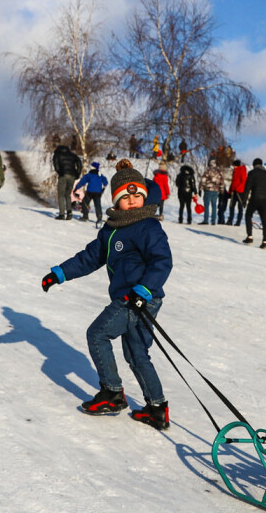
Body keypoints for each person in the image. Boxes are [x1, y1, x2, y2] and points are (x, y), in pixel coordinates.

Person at [41, 160, 172, 430]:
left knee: (97, 334)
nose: (133, 201)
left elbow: (162, 261)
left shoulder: (148, 226)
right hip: (133, 299)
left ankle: (112, 393)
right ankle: (157, 408)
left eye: (137, 196)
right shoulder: (112, 230)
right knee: (136, 352)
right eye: (127, 197)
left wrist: (143, 290)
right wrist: (60, 273)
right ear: (117, 200)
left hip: (138, 298)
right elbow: (91, 257)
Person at [242, 158, 266, 248]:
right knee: (265, 221)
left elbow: (247, 187)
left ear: (254, 165)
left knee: (248, 215)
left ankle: (249, 237)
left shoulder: (252, 173)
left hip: (255, 199)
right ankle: (265, 242)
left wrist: (244, 200)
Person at [52, 143, 83, 221]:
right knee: (68, 194)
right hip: (72, 176)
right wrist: (77, 174)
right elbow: (79, 163)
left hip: (63, 175)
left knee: (61, 194)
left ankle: (62, 214)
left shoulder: (57, 154)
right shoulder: (72, 155)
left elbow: (55, 164)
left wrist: (59, 172)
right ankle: (69, 212)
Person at [228, 159, 248, 226]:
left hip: (240, 192)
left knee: (240, 207)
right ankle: (230, 220)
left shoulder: (242, 170)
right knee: (231, 206)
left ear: (236, 165)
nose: (233, 167)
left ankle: (238, 221)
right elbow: (233, 182)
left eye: (234, 166)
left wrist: (237, 189)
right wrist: (230, 190)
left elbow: (244, 181)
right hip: (234, 191)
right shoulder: (235, 171)